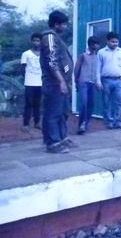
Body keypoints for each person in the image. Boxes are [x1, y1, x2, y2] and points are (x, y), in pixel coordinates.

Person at [40, 10, 75, 153]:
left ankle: (61, 138)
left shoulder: (56, 37)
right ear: (56, 24)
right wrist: (61, 81)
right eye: (64, 24)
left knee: (62, 112)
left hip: (62, 82)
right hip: (54, 83)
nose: (65, 27)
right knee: (53, 113)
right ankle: (53, 143)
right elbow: (51, 61)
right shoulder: (49, 37)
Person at [96, 32, 121, 129]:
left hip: (118, 80)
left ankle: (117, 121)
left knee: (120, 100)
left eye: (116, 42)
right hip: (106, 80)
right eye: (112, 42)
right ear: (107, 41)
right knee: (107, 102)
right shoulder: (101, 52)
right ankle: (109, 122)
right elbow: (98, 68)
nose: (115, 44)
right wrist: (98, 81)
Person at [74, 36, 100, 135]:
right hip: (83, 81)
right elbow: (77, 69)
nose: (97, 46)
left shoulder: (96, 56)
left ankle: (85, 123)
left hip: (92, 83)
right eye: (95, 44)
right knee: (84, 103)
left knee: (90, 104)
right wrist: (76, 81)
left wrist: (97, 82)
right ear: (90, 45)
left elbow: (97, 70)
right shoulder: (83, 55)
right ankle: (81, 124)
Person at [21, 33, 43, 131]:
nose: (36, 42)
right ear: (31, 41)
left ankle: (37, 123)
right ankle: (25, 124)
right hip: (29, 82)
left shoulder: (43, 54)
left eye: (38, 40)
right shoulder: (26, 54)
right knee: (28, 104)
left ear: (41, 42)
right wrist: (27, 78)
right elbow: (22, 69)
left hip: (40, 83)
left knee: (38, 104)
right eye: (34, 40)